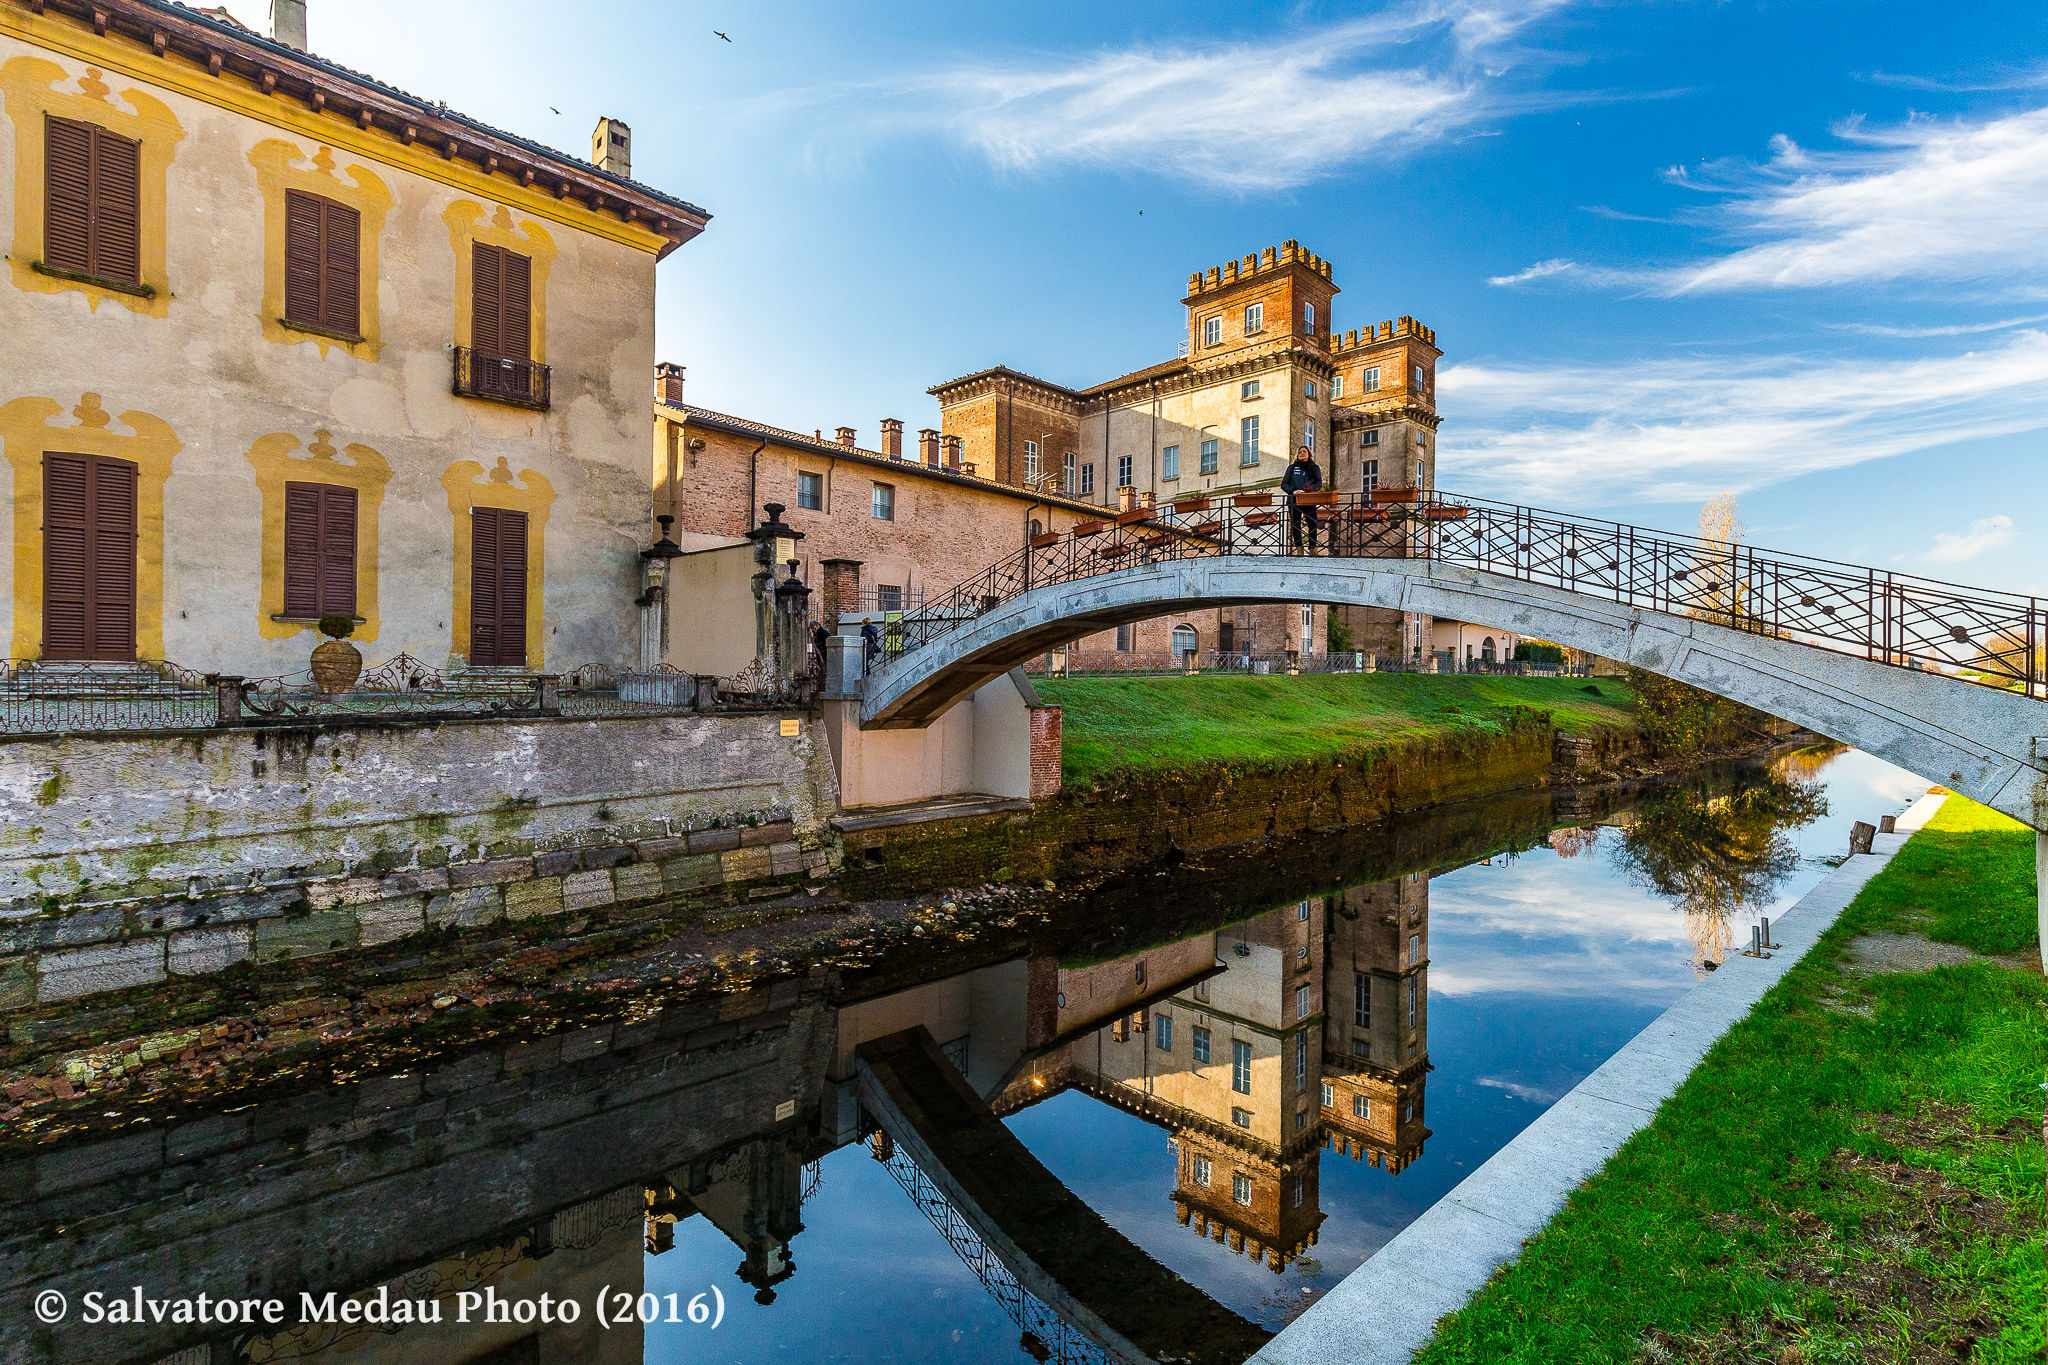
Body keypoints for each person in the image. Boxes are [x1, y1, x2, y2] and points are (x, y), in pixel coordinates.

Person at [1281, 445, 1325, 553]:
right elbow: (1284, 484)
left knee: (1312, 523)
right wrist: (1293, 491)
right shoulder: (1291, 468)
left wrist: (1308, 491)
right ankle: (1299, 548)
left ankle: (1313, 548)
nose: (1302, 453)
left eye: (1304, 451)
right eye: (1300, 452)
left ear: (1309, 454)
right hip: (1294, 500)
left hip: (1309, 500)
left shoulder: (1314, 467)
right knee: (1295, 525)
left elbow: (1318, 483)